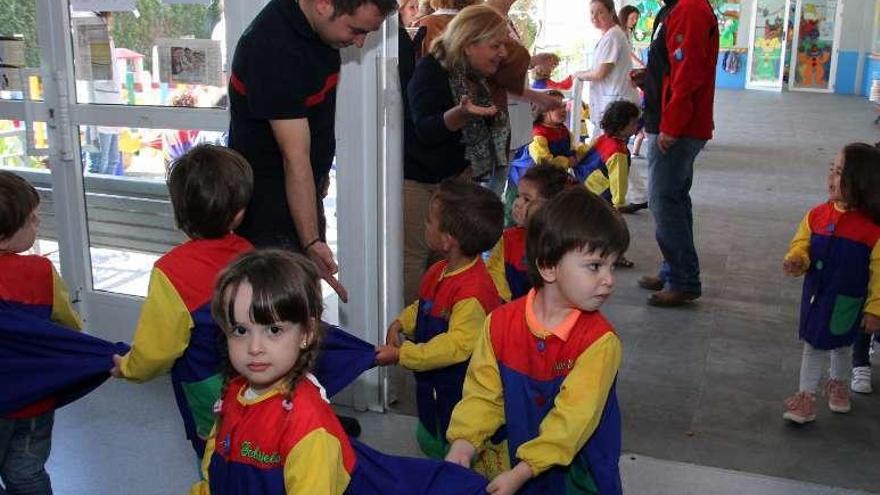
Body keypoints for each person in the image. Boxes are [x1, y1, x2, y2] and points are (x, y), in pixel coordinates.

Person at [445, 186, 625, 495]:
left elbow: (571, 422)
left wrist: (523, 470)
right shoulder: (499, 324)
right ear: (548, 266)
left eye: (613, 265)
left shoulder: (600, 342)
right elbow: (483, 395)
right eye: (595, 266)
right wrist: (464, 442)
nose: (609, 279)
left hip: (578, 472)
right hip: (515, 462)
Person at [229, 0, 396, 304]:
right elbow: (295, 157)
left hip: (299, 191)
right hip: (266, 208)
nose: (358, 43)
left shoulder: (320, 31)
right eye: (356, 30)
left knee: (301, 313)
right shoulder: (273, 49)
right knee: (278, 317)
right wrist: (311, 241)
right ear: (323, 4)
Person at [110, 145, 254, 457]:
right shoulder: (249, 254)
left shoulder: (171, 271)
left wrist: (129, 368)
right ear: (240, 212)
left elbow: (157, 350)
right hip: (255, 379)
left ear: (179, 213)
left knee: (214, 459)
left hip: (206, 390)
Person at [190, 250, 355, 495]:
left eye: (274, 330)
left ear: (306, 333)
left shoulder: (310, 430)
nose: (254, 348)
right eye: (241, 331)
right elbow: (211, 472)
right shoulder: (233, 394)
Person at [376, 179, 503, 459]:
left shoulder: (473, 293)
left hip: (458, 389)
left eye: (429, 221)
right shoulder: (439, 270)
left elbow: (456, 346)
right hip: (431, 383)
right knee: (430, 430)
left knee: (450, 440)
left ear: (448, 240)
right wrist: (402, 321)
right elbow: (424, 305)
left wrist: (402, 354)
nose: (424, 226)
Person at [402, 4, 510, 304]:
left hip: (451, 181)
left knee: (445, 259)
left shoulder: (472, 76)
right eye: (496, 45)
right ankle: (411, 331)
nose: (503, 53)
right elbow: (426, 129)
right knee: (416, 258)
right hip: (420, 180)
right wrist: (460, 114)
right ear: (468, 43)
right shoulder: (431, 70)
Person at [782, 143, 880, 424]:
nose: (831, 178)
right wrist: (797, 258)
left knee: (842, 344)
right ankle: (806, 398)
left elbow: (879, 273)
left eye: (840, 173)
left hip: (848, 300)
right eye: (832, 170)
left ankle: (838, 384)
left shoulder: (872, 231)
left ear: (861, 183)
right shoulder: (816, 215)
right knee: (813, 344)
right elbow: (801, 244)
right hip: (817, 296)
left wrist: (875, 309)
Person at [0, 171, 83, 494]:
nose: (38, 223)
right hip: (34, 397)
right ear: (4, 237)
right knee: (27, 471)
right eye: (31, 219)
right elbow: (68, 326)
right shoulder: (40, 271)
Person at [636, 0, 718, 307]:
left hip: (678, 127)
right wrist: (650, 77)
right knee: (674, 200)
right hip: (673, 120)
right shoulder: (674, 8)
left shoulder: (690, 8)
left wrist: (672, 125)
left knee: (664, 201)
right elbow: (672, 65)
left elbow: (688, 73)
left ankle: (683, 280)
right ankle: (673, 269)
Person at [487, 165, 572, 302]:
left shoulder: (563, 243)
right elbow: (494, 275)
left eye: (527, 199)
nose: (517, 204)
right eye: (517, 196)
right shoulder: (507, 239)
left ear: (550, 207)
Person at [573, 100, 640, 268]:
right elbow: (619, 180)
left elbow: (586, 153)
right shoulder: (619, 151)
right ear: (622, 125)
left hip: (587, 186)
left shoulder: (603, 138)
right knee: (612, 228)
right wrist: (619, 203)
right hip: (603, 195)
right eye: (633, 122)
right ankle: (612, 255)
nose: (636, 126)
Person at [575, 0, 638, 137]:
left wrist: (579, 75)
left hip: (616, 102)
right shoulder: (609, 35)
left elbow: (600, 73)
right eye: (592, 12)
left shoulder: (613, 36)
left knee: (611, 151)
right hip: (612, 100)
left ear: (611, 12)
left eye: (600, 12)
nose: (594, 17)